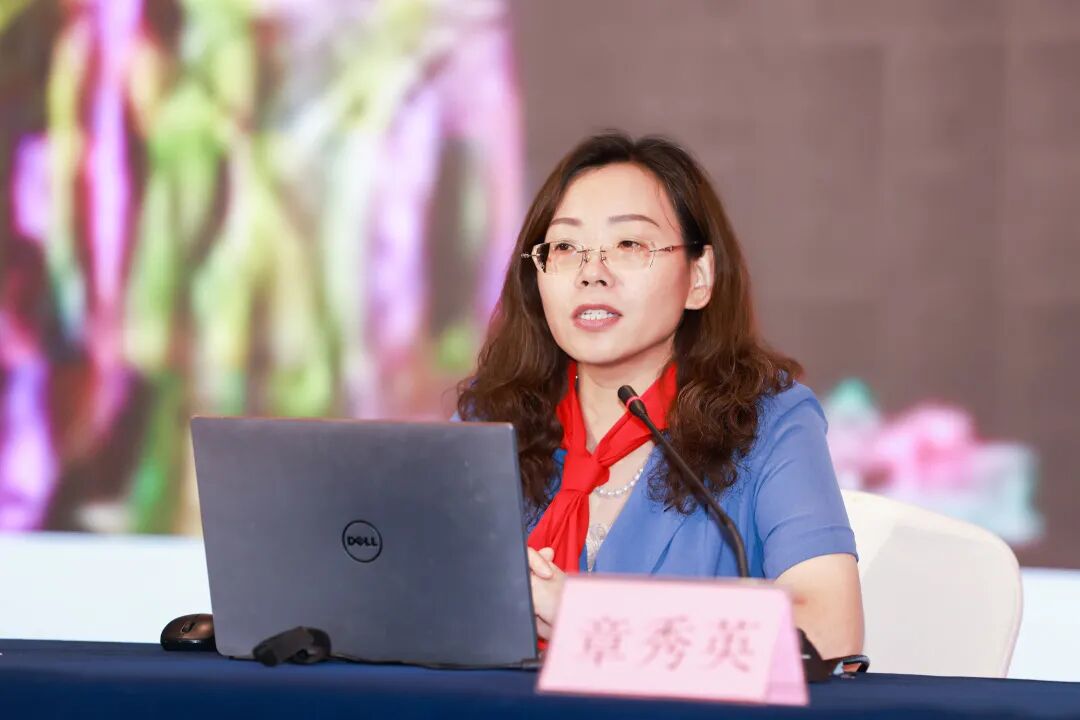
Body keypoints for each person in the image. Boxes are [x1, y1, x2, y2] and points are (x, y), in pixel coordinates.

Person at [456, 132, 863, 660]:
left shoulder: (767, 422)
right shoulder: (489, 421)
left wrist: (593, 618)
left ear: (699, 278)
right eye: (566, 248)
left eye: (629, 245)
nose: (592, 273)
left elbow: (830, 632)